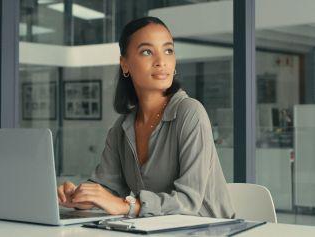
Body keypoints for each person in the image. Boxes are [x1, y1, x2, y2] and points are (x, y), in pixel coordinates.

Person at [57, 16, 235, 218]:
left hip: (208, 230)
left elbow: (188, 201)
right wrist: (79, 197)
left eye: (168, 50)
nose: (161, 61)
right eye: (147, 52)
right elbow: (107, 188)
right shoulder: (121, 129)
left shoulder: (190, 113)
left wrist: (126, 206)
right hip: (155, 230)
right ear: (125, 64)